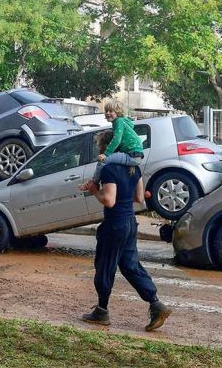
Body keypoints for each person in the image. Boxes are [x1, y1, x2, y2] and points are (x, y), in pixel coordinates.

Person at [79, 132, 171, 331]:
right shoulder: (134, 168)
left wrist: (93, 190)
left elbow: (109, 201)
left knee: (105, 265)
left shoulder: (109, 169)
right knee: (130, 266)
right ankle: (156, 303)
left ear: (107, 147)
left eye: (100, 147)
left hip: (115, 224)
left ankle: (101, 311)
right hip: (130, 222)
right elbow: (139, 198)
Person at [89, 100, 143, 185]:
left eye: (110, 111)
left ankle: (93, 183)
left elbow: (117, 139)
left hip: (132, 155)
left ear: (118, 112)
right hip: (136, 154)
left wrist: (106, 154)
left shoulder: (118, 122)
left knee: (103, 161)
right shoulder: (124, 121)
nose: (107, 113)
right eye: (106, 111)